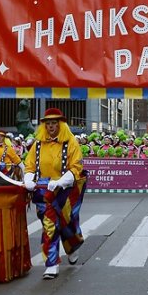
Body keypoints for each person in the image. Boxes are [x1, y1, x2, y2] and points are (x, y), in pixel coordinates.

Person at [22, 108, 86, 280]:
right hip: (43, 192)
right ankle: (52, 264)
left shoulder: (71, 142)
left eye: (54, 123)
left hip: (64, 190)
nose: (51, 126)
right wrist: (28, 179)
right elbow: (29, 166)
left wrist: (61, 181)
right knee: (50, 225)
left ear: (60, 124)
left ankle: (72, 246)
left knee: (66, 223)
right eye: (48, 123)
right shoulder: (37, 144)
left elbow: (77, 167)